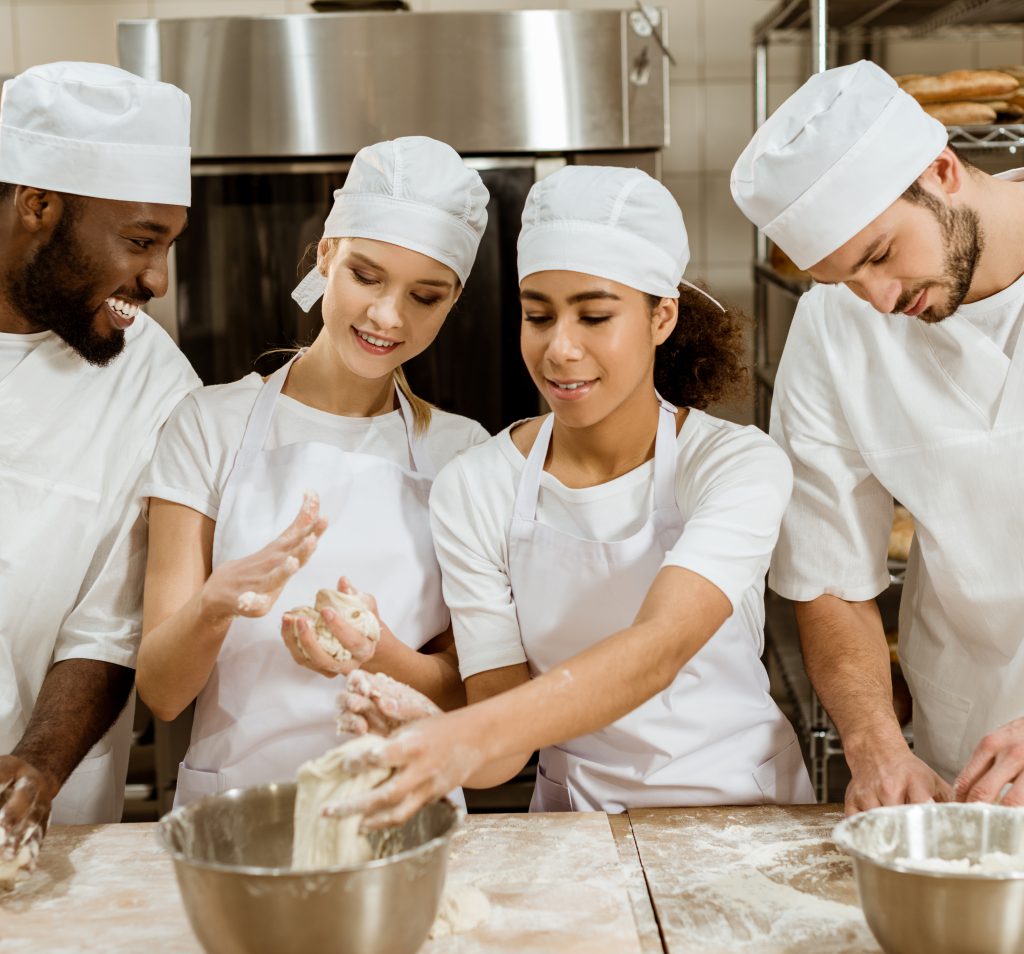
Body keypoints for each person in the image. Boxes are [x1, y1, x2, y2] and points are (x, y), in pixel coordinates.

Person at [325, 165, 814, 827]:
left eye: (594, 316)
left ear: (661, 316)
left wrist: (464, 735)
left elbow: (660, 646)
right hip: (574, 826)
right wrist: (429, 731)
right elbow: (501, 751)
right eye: (538, 316)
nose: (560, 349)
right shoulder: (477, 487)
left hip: (742, 814)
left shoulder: (733, 464)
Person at [136, 137, 489, 806]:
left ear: (453, 302)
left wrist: (377, 651)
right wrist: (222, 598)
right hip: (236, 814)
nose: (389, 316)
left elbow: (476, 692)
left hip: (400, 809)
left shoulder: (463, 455)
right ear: (326, 255)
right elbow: (162, 692)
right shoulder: (208, 425)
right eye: (366, 275)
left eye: (425, 296)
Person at [730, 60, 1024, 813]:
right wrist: (876, 746)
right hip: (970, 755)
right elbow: (828, 576)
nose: (882, 301)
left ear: (943, 168)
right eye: (845, 279)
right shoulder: (836, 328)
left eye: (881, 255)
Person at [0, 63, 198, 871]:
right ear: (38, 206)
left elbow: (111, 628)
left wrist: (36, 770)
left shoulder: (157, 387)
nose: (154, 280)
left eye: (168, 247)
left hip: (38, 837)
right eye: (141, 241)